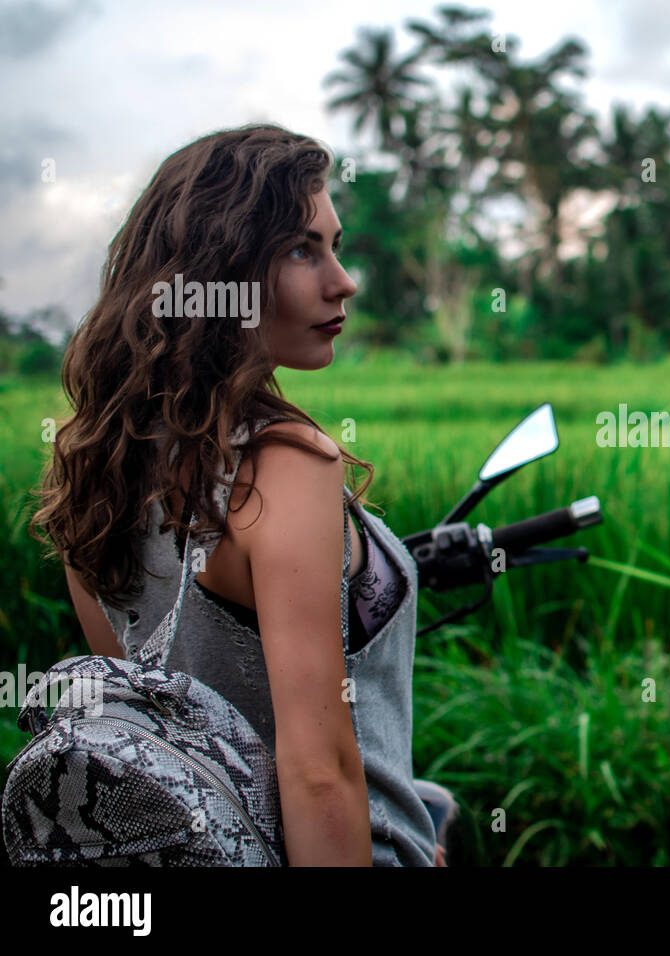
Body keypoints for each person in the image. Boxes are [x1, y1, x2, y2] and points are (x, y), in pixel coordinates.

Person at [29, 123, 453, 866]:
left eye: (335, 245)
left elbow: (149, 718)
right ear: (224, 271)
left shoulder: (96, 464)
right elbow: (320, 772)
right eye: (301, 249)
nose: (341, 279)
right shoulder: (285, 466)